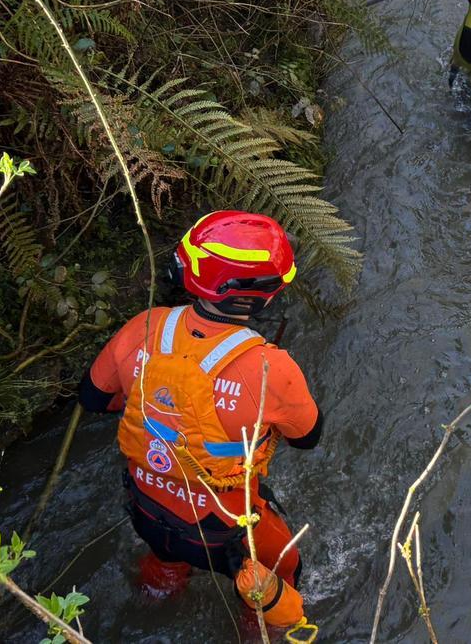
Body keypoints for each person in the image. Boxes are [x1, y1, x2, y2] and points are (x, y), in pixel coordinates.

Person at [78, 210, 322, 628]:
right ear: (259, 294)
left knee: (165, 557)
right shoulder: (272, 368)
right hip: (225, 535)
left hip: (146, 511)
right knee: (285, 568)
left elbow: (93, 398)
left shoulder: (144, 326)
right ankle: (255, 631)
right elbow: (307, 438)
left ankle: (157, 597)